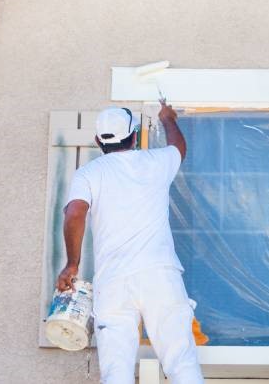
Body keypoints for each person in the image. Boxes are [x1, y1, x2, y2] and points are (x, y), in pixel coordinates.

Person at [56, 101, 203, 384]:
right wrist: (168, 118)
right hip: (159, 275)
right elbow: (178, 148)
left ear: (98, 141)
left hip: (114, 283)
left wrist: (71, 264)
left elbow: (75, 213)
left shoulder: (89, 173)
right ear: (134, 136)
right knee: (181, 362)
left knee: (116, 372)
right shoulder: (156, 162)